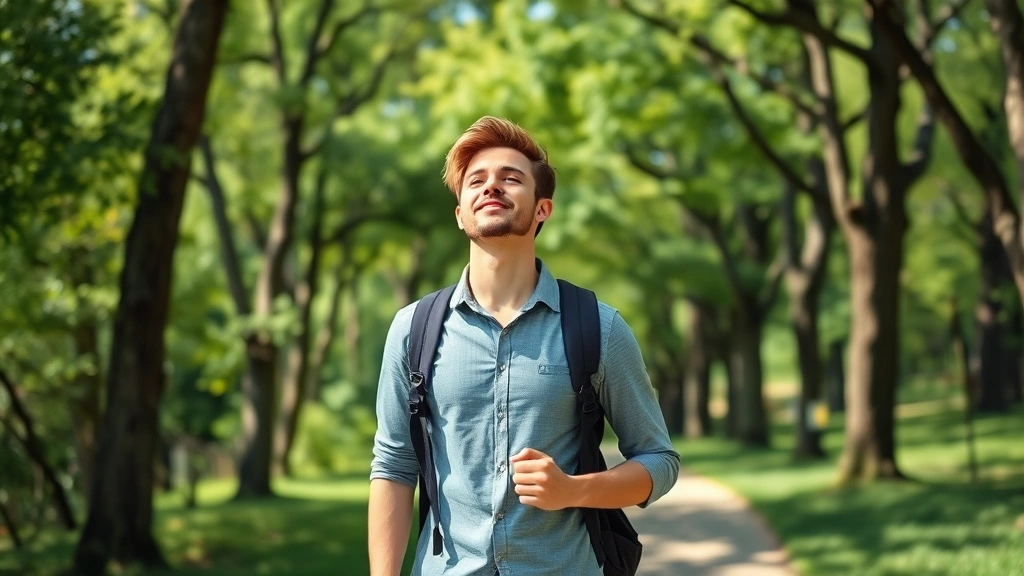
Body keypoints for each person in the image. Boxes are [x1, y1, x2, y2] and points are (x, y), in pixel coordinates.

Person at [368, 116, 680, 576]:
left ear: (542, 210)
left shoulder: (599, 326)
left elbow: (659, 461)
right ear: (460, 214)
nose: (491, 187)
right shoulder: (413, 329)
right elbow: (394, 465)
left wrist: (573, 490)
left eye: (510, 178)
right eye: (477, 181)